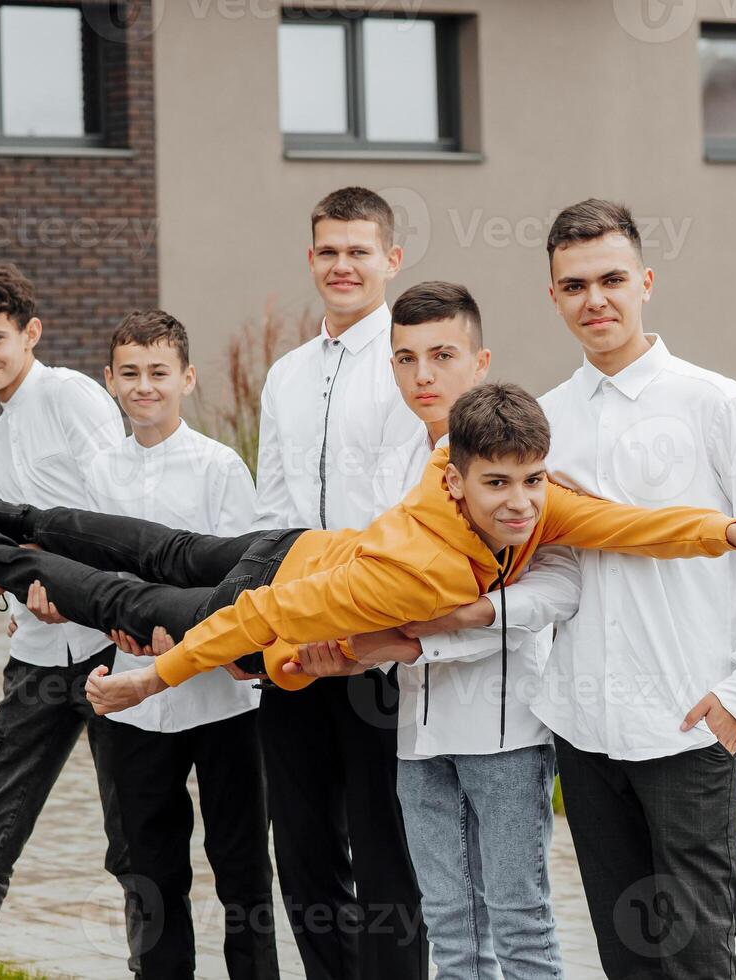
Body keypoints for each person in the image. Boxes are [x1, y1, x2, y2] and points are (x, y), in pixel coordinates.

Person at [0, 383, 736, 724]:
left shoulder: (528, 501)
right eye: (500, 485)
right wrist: (156, 678)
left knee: (163, 545)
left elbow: (630, 524)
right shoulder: (413, 570)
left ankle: (10, 509)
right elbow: (268, 617)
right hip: (284, 579)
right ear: (456, 482)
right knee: (128, 603)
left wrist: (734, 531)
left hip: (292, 543)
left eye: (533, 481)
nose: (523, 505)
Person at [465, 199, 736, 980]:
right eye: (575, 285)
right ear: (553, 297)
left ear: (645, 281)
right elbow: (552, 563)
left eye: (612, 279)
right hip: (586, 727)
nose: (597, 300)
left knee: (693, 953)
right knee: (626, 954)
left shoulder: (712, 401)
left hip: (690, 721)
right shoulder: (545, 420)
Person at [292, 281, 575, 980]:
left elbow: (557, 587)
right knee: (450, 926)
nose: (424, 375)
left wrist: (443, 628)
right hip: (418, 733)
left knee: (519, 921)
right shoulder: (398, 470)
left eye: (442, 355)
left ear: (480, 362)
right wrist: (348, 649)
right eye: (405, 358)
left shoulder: (525, 455)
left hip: (505, 731)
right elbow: (376, 591)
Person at [0, 262, 137, 980]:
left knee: (135, 846)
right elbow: (23, 545)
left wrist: (58, 572)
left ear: (30, 333)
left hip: (112, 652)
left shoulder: (72, 395)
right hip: (41, 659)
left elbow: (119, 515)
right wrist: (9, 589)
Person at [249, 186, 429, 979]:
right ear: (310, 259)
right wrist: (276, 622)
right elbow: (270, 511)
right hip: (292, 640)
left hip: (373, 651)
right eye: (329, 251)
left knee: (386, 851)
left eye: (360, 251)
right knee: (303, 848)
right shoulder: (285, 375)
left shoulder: (410, 365)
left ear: (391, 259)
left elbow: (407, 514)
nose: (343, 265)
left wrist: (354, 628)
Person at [81, 310, 279, 978]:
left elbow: (241, 582)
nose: (145, 387)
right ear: (109, 380)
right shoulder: (96, 473)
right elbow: (88, 576)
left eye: (159, 373)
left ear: (186, 379)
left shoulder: (220, 468)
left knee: (242, 869)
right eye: (130, 373)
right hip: (133, 706)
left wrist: (186, 629)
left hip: (221, 702)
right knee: (150, 874)